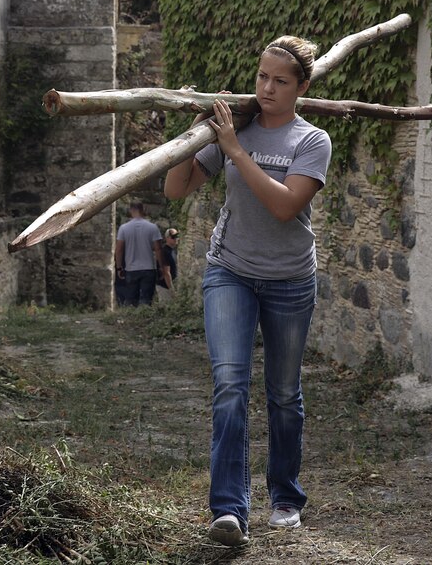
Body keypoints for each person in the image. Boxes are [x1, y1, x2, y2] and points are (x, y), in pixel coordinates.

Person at [163, 36, 332, 547]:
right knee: (230, 384)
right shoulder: (236, 127)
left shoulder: (311, 141)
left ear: (302, 87)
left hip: (289, 279)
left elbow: (285, 207)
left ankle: (285, 496)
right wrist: (192, 138)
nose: (266, 88)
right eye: (262, 76)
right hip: (229, 270)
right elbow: (176, 188)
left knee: (283, 394)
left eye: (280, 81)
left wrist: (236, 148)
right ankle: (230, 511)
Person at [114, 201, 164, 306]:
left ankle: (131, 318)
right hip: (149, 268)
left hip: (131, 269)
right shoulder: (152, 227)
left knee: (131, 300)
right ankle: (144, 318)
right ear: (143, 210)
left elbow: (119, 250)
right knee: (146, 299)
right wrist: (161, 267)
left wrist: (119, 268)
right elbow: (158, 249)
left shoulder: (124, 228)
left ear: (131, 210)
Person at [156, 228, 178, 299]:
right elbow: (166, 273)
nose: (176, 239)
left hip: (169, 285)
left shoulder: (172, 251)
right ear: (167, 238)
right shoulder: (165, 252)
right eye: (173, 237)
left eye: (177, 236)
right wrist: (172, 290)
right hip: (164, 287)